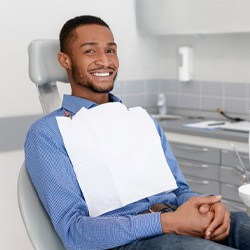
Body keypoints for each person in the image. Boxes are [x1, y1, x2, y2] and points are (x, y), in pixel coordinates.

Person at [24, 15, 250, 250]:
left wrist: (207, 207)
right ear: (65, 60)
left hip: (175, 221)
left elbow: (179, 191)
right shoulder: (48, 133)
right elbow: (75, 233)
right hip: (131, 242)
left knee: (242, 223)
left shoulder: (140, 120)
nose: (104, 61)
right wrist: (167, 223)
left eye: (111, 51)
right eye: (90, 51)